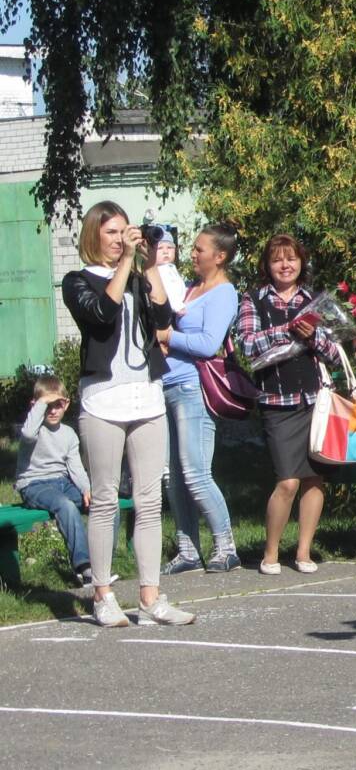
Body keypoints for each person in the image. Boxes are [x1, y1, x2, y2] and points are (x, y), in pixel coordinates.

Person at [62, 200, 194, 627]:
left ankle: (150, 597)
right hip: (103, 399)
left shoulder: (137, 277)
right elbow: (101, 314)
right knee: (105, 500)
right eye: (112, 233)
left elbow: (164, 317)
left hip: (146, 396)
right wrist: (125, 268)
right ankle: (103, 595)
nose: (121, 240)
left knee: (150, 501)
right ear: (94, 236)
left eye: (124, 231)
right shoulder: (77, 280)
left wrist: (149, 265)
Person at [237, 234, 341, 575]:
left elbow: (336, 352)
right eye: (277, 259)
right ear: (267, 266)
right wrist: (289, 329)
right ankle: (270, 552)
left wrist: (314, 336)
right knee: (288, 481)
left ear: (301, 262)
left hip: (314, 401)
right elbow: (248, 344)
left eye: (291, 258)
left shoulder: (314, 300)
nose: (285, 265)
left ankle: (304, 551)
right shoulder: (253, 300)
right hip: (275, 401)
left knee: (314, 479)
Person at [158, 224, 242, 574]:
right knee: (173, 477)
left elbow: (209, 344)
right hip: (166, 384)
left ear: (219, 256)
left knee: (195, 473)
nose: (192, 253)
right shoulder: (190, 287)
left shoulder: (224, 293)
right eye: (192, 248)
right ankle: (188, 551)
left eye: (199, 249)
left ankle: (226, 548)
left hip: (193, 387)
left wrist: (168, 336)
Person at [15, 375, 99, 586]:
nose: (52, 411)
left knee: (103, 502)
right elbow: (27, 434)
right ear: (36, 405)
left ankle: (103, 562)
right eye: (47, 406)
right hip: (34, 484)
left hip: (62, 482)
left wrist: (86, 488)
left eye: (57, 405)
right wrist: (41, 403)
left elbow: (76, 468)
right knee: (65, 505)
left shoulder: (69, 434)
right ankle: (84, 566)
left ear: (66, 405)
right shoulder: (33, 429)